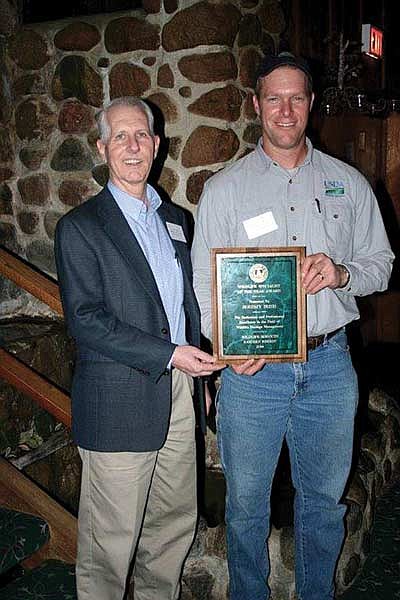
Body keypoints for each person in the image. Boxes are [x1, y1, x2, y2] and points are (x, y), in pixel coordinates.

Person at [191, 52, 394, 600]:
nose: (285, 110)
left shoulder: (348, 184)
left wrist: (342, 271)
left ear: (311, 104)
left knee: (323, 505)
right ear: (257, 105)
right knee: (246, 506)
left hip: (329, 366)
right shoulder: (225, 190)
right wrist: (225, 350)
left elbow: (383, 263)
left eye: (296, 97)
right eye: (273, 98)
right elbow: (206, 283)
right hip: (254, 373)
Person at [54, 96, 221, 600]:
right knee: (109, 546)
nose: (133, 145)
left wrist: (201, 377)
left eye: (142, 135)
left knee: (171, 528)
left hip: (179, 393)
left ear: (157, 145)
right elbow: (86, 321)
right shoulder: (80, 227)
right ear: (103, 148)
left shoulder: (177, 221)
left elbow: (187, 306)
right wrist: (172, 354)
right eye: (120, 136)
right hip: (118, 400)